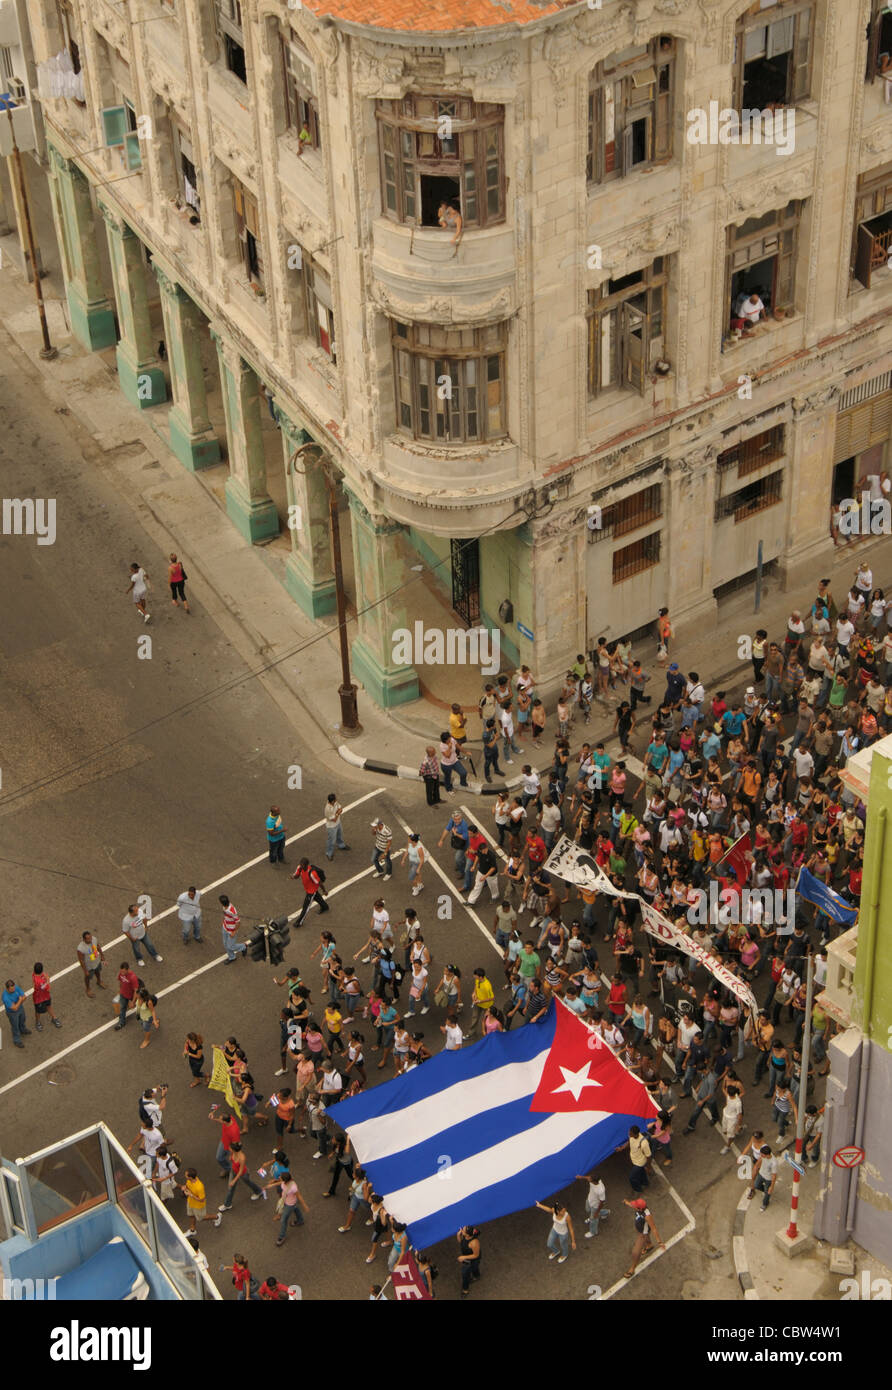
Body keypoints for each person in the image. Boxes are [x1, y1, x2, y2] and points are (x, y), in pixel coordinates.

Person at [623, 1198, 665, 1278]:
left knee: (635, 1252)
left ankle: (632, 1268)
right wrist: (627, 1203)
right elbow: (632, 1205)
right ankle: (649, 1246)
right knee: (647, 1239)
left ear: (640, 1208)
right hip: (641, 1229)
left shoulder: (647, 1216)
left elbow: (654, 1229)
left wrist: (660, 1242)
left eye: (635, 1206)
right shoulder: (639, 1208)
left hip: (643, 1234)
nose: (633, 1205)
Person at [218, 1142, 265, 1213]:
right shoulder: (233, 1152)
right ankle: (227, 1204)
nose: (228, 1149)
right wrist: (231, 1156)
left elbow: (241, 1171)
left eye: (230, 1148)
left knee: (249, 1182)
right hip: (233, 1171)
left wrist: (234, 1180)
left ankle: (259, 1191)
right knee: (231, 1188)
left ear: (234, 1150)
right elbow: (232, 1157)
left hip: (243, 1174)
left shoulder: (242, 1158)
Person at [266, 1170, 309, 1246]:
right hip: (287, 1201)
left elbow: (299, 1196)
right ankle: (300, 1220)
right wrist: (272, 1185)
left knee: (283, 1220)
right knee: (295, 1208)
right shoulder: (285, 1181)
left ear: (285, 1180)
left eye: (281, 1177)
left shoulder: (293, 1187)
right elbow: (280, 1182)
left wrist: (305, 1206)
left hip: (290, 1204)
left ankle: (281, 1236)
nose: (279, 1177)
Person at [293, 859, 329, 926]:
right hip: (308, 889)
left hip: (311, 891)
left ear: (307, 865)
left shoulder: (312, 873)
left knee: (306, 907)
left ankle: (299, 922)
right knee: (317, 898)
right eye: (300, 864)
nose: (301, 866)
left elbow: (320, 883)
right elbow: (297, 875)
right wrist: (294, 876)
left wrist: (324, 891)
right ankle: (325, 907)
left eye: (302, 865)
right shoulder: (299, 868)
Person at [576, 1172, 609, 1238]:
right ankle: (606, 1212)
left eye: (590, 1179)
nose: (588, 1179)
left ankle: (593, 1232)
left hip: (595, 1205)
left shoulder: (601, 1190)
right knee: (587, 1210)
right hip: (589, 1200)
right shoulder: (595, 1180)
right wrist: (581, 1177)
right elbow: (588, 1177)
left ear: (594, 1181)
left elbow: (602, 1201)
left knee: (594, 1218)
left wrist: (596, 1212)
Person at [31, 962, 62, 1031]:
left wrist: (45, 978)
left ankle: (54, 1018)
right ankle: (38, 1022)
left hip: (46, 996)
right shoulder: (38, 981)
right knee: (38, 1011)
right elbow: (46, 987)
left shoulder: (35, 975)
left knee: (49, 1006)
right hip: (39, 998)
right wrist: (47, 979)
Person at [748, 1144, 778, 1211]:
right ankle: (766, 1191)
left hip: (768, 1179)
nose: (761, 1156)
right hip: (761, 1174)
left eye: (762, 1155)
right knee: (756, 1185)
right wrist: (755, 1168)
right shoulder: (763, 1156)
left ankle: (765, 1204)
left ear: (767, 1155)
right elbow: (759, 1162)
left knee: (767, 1193)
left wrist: (771, 1187)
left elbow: (774, 1175)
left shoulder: (774, 1163)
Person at [77, 931, 106, 996]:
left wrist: (102, 955)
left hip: (96, 961)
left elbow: (98, 946)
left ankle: (99, 981)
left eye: (90, 937)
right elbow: (81, 960)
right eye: (88, 939)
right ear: (84, 939)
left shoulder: (94, 939)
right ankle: (88, 989)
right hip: (89, 966)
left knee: (98, 971)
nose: (90, 940)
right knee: (87, 977)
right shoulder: (81, 948)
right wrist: (85, 970)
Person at [2, 979, 30, 1048]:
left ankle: (23, 1029)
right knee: (15, 1026)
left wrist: (17, 1004)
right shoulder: (5, 997)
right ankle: (17, 1040)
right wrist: (20, 1000)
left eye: (14, 987)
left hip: (20, 1008)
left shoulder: (16, 987)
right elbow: (14, 1008)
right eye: (12, 989)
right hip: (12, 1013)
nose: (14, 989)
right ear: (7, 989)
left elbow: (25, 997)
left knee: (22, 1019)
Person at [219, 895, 247, 963]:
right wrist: (223, 920)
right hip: (225, 927)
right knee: (225, 944)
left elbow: (238, 922)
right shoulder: (224, 907)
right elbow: (224, 914)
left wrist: (234, 932)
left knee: (231, 946)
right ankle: (232, 957)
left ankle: (243, 946)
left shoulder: (232, 911)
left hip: (231, 930)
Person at [113, 961, 139, 1031]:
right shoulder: (121, 973)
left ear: (128, 969)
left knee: (138, 1007)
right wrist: (119, 991)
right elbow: (121, 982)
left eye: (124, 972)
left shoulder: (133, 977)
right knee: (122, 1008)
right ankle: (122, 1022)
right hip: (123, 994)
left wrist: (133, 1002)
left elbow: (136, 991)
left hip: (131, 996)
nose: (122, 973)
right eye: (121, 971)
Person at [323, 793, 350, 859]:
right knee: (331, 841)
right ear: (332, 801)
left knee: (339, 835)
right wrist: (338, 813)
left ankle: (341, 845)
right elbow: (334, 819)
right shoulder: (327, 809)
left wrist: (337, 813)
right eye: (335, 799)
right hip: (331, 827)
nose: (336, 800)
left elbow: (340, 808)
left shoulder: (335, 802)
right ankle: (329, 853)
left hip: (338, 823)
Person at [400, 832, 426, 897]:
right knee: (417, 874)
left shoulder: (419, 848)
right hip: (411, 862)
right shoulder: (410, 844)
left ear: (413, 840)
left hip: (417, 864)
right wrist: (403, 859)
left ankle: (416, 888)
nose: (408, 839)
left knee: (412, 877)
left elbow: (422, 859)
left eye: (409, 839)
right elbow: (407, 851)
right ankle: (420, 885)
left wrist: (419, 868)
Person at [457, 1225, 482, 1295]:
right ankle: (477, 1276)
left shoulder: (474, 1243)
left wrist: (464, 1257)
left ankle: (465, 1290)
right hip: (468, 1258)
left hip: (472, 1260)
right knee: (475, 1268)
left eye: (463, 1230)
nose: (461, 1230)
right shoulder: (465, 1237)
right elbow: (461, 1242)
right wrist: (458, 1235)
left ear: (467, 1234)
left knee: (465, 1274)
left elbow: (476, 1255)